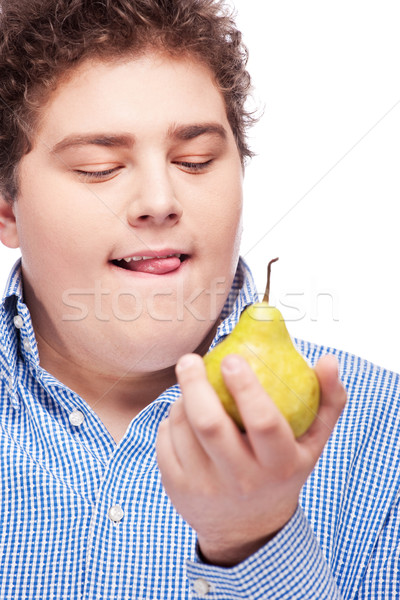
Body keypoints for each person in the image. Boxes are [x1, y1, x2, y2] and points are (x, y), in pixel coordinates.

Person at [0, 0, 397, 598]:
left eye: (195, 160)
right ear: (7, 209)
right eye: (100, 167)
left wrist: (256, 541)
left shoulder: (384, 436)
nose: (159, 199)